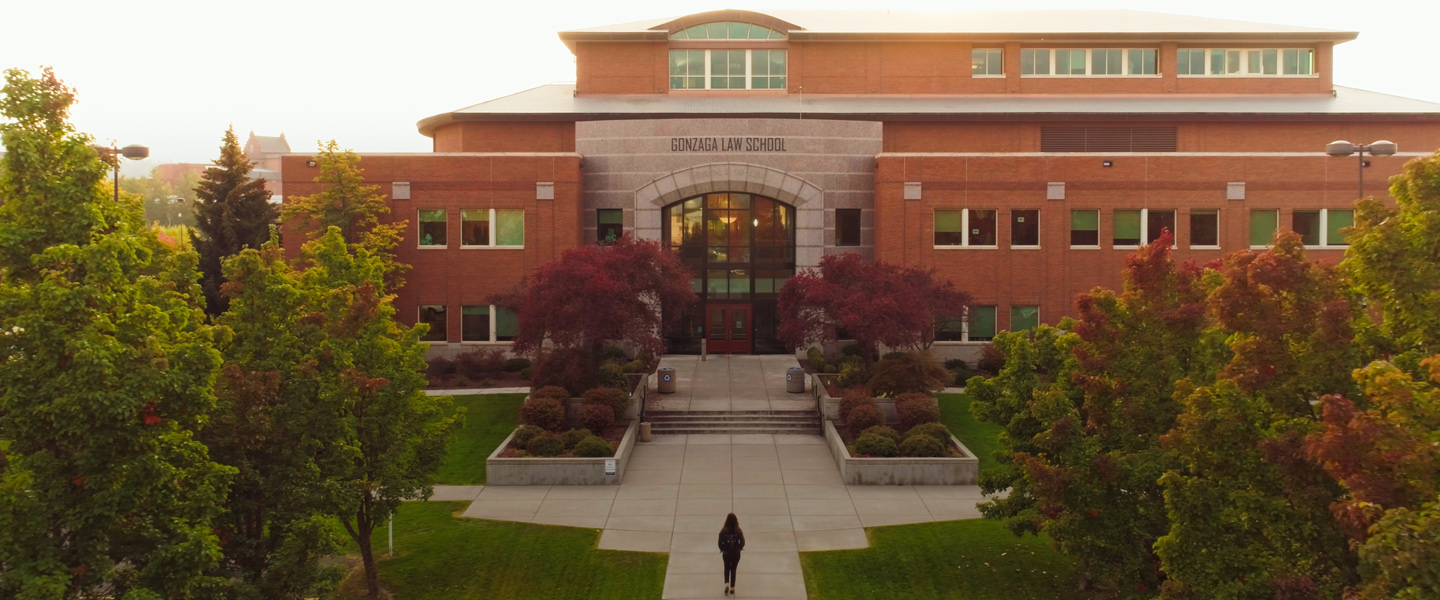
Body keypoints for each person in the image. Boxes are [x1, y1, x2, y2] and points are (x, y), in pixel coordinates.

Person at [718, 512, 746, 595]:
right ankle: (732, 587)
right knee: (733, 569)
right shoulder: (738, 530)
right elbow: (743, 542)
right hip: (736, 553)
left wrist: (722, 548)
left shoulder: (723, 530)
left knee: (726, 568)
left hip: (726, 553)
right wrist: (740, 547)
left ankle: (726, 583)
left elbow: (719, 542)